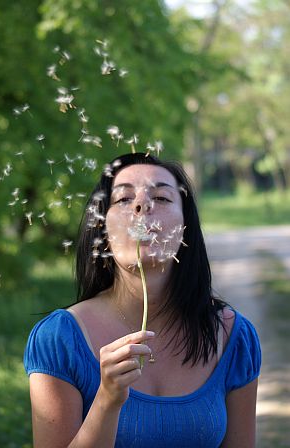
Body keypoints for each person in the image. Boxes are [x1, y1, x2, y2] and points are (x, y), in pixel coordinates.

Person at [24, 152, 261, 448]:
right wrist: (107, 401)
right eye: (123, 199)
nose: (141, 205)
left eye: (161, 198)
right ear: (102, 229)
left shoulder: (232, 336)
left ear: (186, 227)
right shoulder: (58, 339)